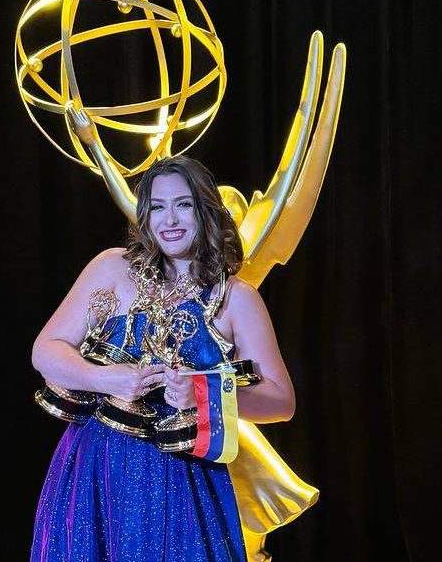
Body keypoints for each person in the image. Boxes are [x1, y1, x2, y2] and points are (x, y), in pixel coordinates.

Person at [30, 155, 296, 561]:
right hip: (95, 467)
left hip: (180, 479)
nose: (169, 219)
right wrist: (107, 379)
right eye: (157, 206)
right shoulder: (110, 268)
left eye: (183, 204)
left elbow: (282, 401)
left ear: (206, 211)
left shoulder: (237, 299)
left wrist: (203, 394)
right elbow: (45, 351)